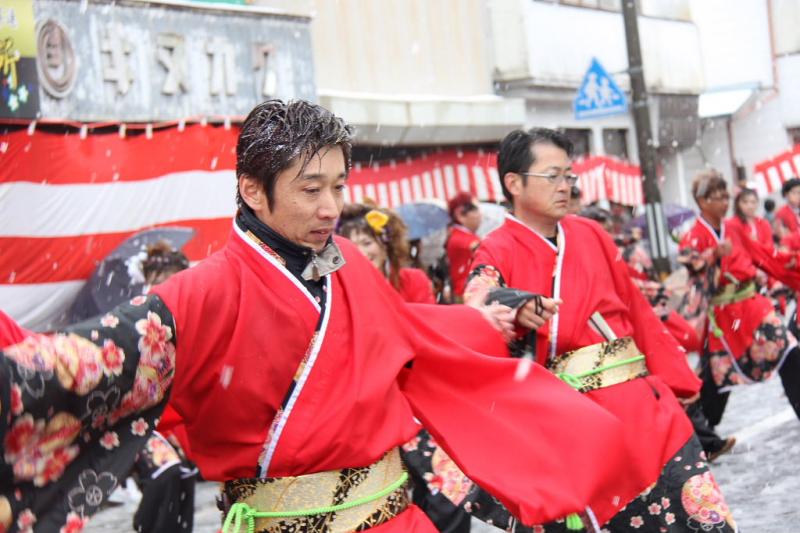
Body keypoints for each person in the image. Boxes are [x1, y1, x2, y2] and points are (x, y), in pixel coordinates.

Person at [0, 100, 633, 532]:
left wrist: (482, 317)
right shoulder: (203, 291)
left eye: (339, 184)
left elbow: (410, 331)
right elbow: (86, 361)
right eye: (311, 188)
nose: (332, 205)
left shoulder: (348, 263)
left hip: (398, 520)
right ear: (253, 189)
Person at [464, 128, 735, 532]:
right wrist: (514, 304)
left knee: (693, 515)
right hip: (575, 422)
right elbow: (478, 296)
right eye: (552, 176)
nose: (565, 187)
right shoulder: (496, 248)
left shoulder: (590, 233)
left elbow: (636, 308)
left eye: (569, 177)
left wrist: (676, 377)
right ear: (514, 183)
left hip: (642, 406)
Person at [679, 171, 800, 431]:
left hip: (753, 306)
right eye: (718, 197)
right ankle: (704, 435)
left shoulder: (733, 228)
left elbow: (763, 255)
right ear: (702, 201)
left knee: (788, 351)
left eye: (725, 196)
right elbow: (691, 264)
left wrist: (790, 265)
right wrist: (712, 255)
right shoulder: (694, 235)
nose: (724, 202)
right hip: (723, 318)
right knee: (717, 378)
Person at [336, 203, 435, 304]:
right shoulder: (340, 292)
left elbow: (429, 316)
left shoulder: (413, 281)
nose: (360, 252)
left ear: (386, 246)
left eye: (367, 243)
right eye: (352, 246)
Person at [445, 193, 482, 301]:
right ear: (460, 214)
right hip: (467, 296)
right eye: (475, 210)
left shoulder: (456, 235)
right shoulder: (463, 239)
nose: (480, 215)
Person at [774, 177, 800, 241]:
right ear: (786, 194)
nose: (798, 196)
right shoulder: (781, 213)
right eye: (794, 193)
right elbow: (783, 237)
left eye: (799, 192)